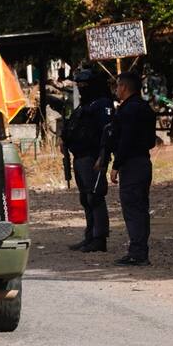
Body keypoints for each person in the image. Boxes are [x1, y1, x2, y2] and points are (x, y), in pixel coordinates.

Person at [62, 69, 115, 252]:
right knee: (86, 198)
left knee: (95, 196)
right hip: (79, 156)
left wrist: (103, 157)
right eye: (79, 85)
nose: (81, 88)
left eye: (84, 85)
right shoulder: (85, 104)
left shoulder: (102, 104)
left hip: (93, 157)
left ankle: (99, 238)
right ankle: (90, 235)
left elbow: (107, 132)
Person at [110, 71, 157, 266]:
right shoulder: (145, 108)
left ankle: (137, 252)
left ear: (124, 87)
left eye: (118, 86)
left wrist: (116, 165)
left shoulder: (128, 111)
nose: (116, 90)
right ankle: (139, 249)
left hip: (132, 164)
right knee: (141, 208)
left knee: (133, 208)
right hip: (144, 161)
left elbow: (125, 140)